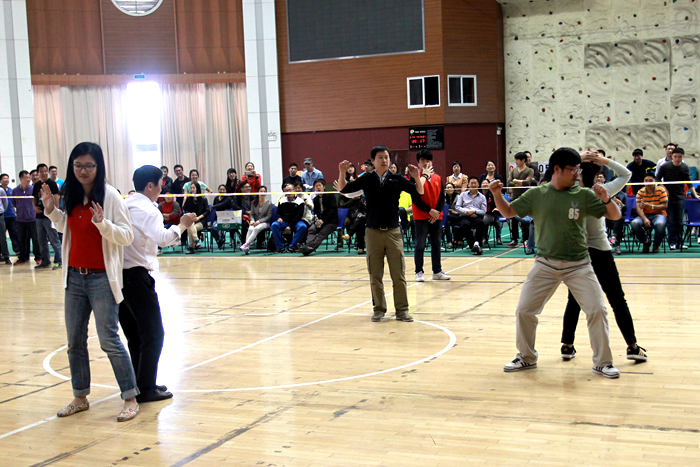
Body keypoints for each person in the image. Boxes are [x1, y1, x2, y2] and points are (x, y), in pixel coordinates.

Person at [491, 147, 622, 378]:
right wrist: (496, 194)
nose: (577, 174)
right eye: (573, 169)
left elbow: (614, 215)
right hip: (545, 264)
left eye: (578, 169)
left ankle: (602, 362)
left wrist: (606, 198)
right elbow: (509, 211)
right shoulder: (537, 194)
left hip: (579, 265)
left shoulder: (583, 195)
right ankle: (526, 357)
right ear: (557, 169)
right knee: (524, 310)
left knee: (597, 310)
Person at [41, 141, 140, 421]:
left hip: (102, 279)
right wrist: (51, 210)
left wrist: (102, 223)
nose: (82, 171)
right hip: (74, 277)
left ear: (99, 167)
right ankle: (80, 396)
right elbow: (68, 227)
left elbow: (127, 236)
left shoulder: (110, 196)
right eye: (78, 165)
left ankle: (130, 397)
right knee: (74, 341)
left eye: (88, 166)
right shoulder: (71, 194)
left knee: (109, 340)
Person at [560, 151, 648, 363]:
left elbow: (556, 171)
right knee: (617, 299)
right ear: (597, 172)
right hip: (600, 251)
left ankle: (567, 345)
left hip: (578, 253)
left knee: (574, 300)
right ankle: (632, 347)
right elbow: (626, 174)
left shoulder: (568, 192)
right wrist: (606, 160)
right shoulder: (602, 191)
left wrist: (578, 157)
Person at [120, 165, 196, 404]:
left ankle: (140, 383)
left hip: (118, 277)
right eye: (160, 184)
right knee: (153, 334)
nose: (162, 189)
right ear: (150, 185)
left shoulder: (124, 205)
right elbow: (163, 239)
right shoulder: (148, 210)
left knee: (135, 335)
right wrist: (182, 224)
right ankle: (146, 388)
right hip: (137, 276)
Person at [336, 145, 424, 322]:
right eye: (380, 157)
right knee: (375, 275)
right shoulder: (367, 178)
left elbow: (419, 192)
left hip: (393, 232)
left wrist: (416, 177)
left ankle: (402, 310)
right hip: (372, 233)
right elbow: (344, 190)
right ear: (373, 161)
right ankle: (378, 309)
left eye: (386, 157)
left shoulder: (397, 178)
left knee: (398, 274)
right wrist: (342, 172)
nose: (384, 160)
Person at [412, 149, 450, 281]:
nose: (425, 163)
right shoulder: (415, 178)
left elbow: (442, 198)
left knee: (436, 244)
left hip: (436, 217)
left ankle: (437, 271)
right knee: (420, 244)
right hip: (421, 216)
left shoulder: (438, 178)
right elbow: (416, 199)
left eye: (428, 160)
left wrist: (436, 212)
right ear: (418, 163)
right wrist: (429, 211)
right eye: (422, 160)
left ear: (431, 162)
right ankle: (419, 271)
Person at [656, 147, 699, 249]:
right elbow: (657, 179)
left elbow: (689, 183)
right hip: (668, 198)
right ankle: (672, 242)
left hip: (680, 198)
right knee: (671, 221)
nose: (677, 159)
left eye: (679, 157)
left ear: (683, 157)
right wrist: (663, 188)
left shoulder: (685, 167)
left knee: (679, 221)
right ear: (672, 156)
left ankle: (680, 242)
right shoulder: (665, 166)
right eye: (675, 156)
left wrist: (695, 194)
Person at [33, 163, 62, 269]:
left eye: (45, 171)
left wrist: (56, 212)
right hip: (39, 217)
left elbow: (56, 198)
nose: (44, 173)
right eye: (41, 171)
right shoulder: (36, 185)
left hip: (50, 217)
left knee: (54, 239)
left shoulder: (52, 184)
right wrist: (34, 207)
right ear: (38, 173)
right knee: (41, 240)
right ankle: (45, 261)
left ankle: (59, 261)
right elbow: (34, 198)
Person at [631, 172, 668, 253]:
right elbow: (638, 208)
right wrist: (644, 219)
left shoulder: (661, 190)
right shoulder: (640, 191)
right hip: (645, 214)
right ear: (643, 181)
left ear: (655, 181)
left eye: (650, 180)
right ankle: (645, 242)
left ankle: (656, 244)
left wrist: (650, 206)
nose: (648, 182)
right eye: (646, 180)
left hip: (659, 214)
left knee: (659, 224)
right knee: (634, 223)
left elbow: (665, 206)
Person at [300, 179, 338, 255]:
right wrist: (317, 221)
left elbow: (332, 212)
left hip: (331, 222)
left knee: (321, 233)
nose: (318, 187)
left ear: (324, 187)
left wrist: (323, 220)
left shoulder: (330, 196)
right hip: (320, 222)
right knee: (311, 229)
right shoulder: (315, 199)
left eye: (319, 185)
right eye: (316, 186)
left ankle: (309, 247)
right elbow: (316, 213)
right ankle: (309, 246)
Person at [506, 152, 535, 247]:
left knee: (525, 218)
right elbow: (509, 182)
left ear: (523, 160)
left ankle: (526, 239)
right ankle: (514, 239)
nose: (516, 162)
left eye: (517, 160)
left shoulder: (529, 170)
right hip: (514, 197)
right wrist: (520, 182)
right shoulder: (513, 171)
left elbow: (528, 182)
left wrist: (516, 181)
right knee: (513, 219)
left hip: (525, 197)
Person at [13, 170, 41, 265]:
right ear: (21, 178)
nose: (29, 179)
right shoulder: (15, 191)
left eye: (29, 177)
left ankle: (38, 257)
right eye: (26, 177)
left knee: (35, 239)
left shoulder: (33, 189)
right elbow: (14, 203)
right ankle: (23, 257)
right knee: (22, 239)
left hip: (32, 218)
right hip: (20, 219)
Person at [454, 177, 487, 254]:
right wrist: (467, 212)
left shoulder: (482, 197)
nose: (473, 185)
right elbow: (457, 207)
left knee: (480, 223)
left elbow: (483, 211)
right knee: (465, 225)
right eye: (471, 183)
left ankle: (477, 243)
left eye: (475, 183)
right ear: (468, 185)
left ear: (478, 185)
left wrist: (474, 211)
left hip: (476, 216)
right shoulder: (463, 195)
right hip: (464, 216)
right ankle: (473, 245)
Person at [271, 184, 307, 253]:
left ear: (294, 190)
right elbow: (278, 213)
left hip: (296, 222)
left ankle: (292, 246)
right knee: (274, 225)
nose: (288, 192)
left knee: (303, 226)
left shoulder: (300, 201)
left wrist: (290, 226)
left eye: (290, 190)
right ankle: (280, 248)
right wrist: (279, 218)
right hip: (284, 222)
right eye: (286, 190)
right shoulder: (282, 201)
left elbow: (299, 216)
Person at [241, 186, 272, 254]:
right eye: (261, 191)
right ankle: (247, 248)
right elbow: (251, 214)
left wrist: (259, 221)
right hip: (254, 221)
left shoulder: (269, 204)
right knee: (250, 229)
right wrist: (252, 221)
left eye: (264, 191)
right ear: (258, 192)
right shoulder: (253, 202)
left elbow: (268, 216)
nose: (263, 193)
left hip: (264, 222)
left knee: (256, 228)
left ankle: (246, 244)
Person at [182, 182, 210, 254]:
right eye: (191, 188)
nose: (192, 189)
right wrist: (188, 215)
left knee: (190, 227)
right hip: (191, 220)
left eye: (193, 188)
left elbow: (207, 211)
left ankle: (191, 247)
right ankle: (196, 240)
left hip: (201, 221)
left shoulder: (203, 199)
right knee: (190, 225)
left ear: (197, 189)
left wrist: (198, 218)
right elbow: (183, 209)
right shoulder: (189, 199)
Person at [1, 173, 20, 254]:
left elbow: (12, 202)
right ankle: (3, 252)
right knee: (2, 235)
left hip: (11, 215)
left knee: (14, 233)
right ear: (0, 180)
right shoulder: (0, 190)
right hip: (2, 216)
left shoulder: (11, 190)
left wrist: (14, 211)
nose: (6, 180)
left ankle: (17, 250)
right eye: (4, 178)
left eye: (7, 178)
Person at [211, 184, 234, 249]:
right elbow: (214, 208)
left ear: (226, 191)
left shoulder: (228, 198)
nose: (222, 191)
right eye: (220, 189)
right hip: (217, 218)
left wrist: (212, 207)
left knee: (221, 226)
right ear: (218, 190)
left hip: (227, 218)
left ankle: (222, 238)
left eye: (223, 189)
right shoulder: (216, 198)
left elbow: (221, 205)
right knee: (212, 228)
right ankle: (219, 241)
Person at [481, 178, 502, 245]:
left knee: (497, 222)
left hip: (492, 214)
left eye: (486, 183)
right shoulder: (479, 194)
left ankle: (498, 238)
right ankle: (484, 238)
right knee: (483, 221)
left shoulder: (492, 194)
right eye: (483, 183)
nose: (485, 184)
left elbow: (498, 204)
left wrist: (496, 208)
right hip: (481, 214)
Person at [444, 182, 459, 248]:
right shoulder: (444, 198)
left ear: (454, 189)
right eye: (447, 188)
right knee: (447, 222)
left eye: (450, 187)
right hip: (448, 217)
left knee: (446, 218)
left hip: (458, 216)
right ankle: (449, 241)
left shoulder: (458, 197)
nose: (449, 189)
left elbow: (462, 209)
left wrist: (455, 212)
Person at [0, 184, 10, 264]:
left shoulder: (1, 190)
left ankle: (6, 256)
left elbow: (5, 202)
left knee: (2, 237)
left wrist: (2, 210)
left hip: (0, 216)